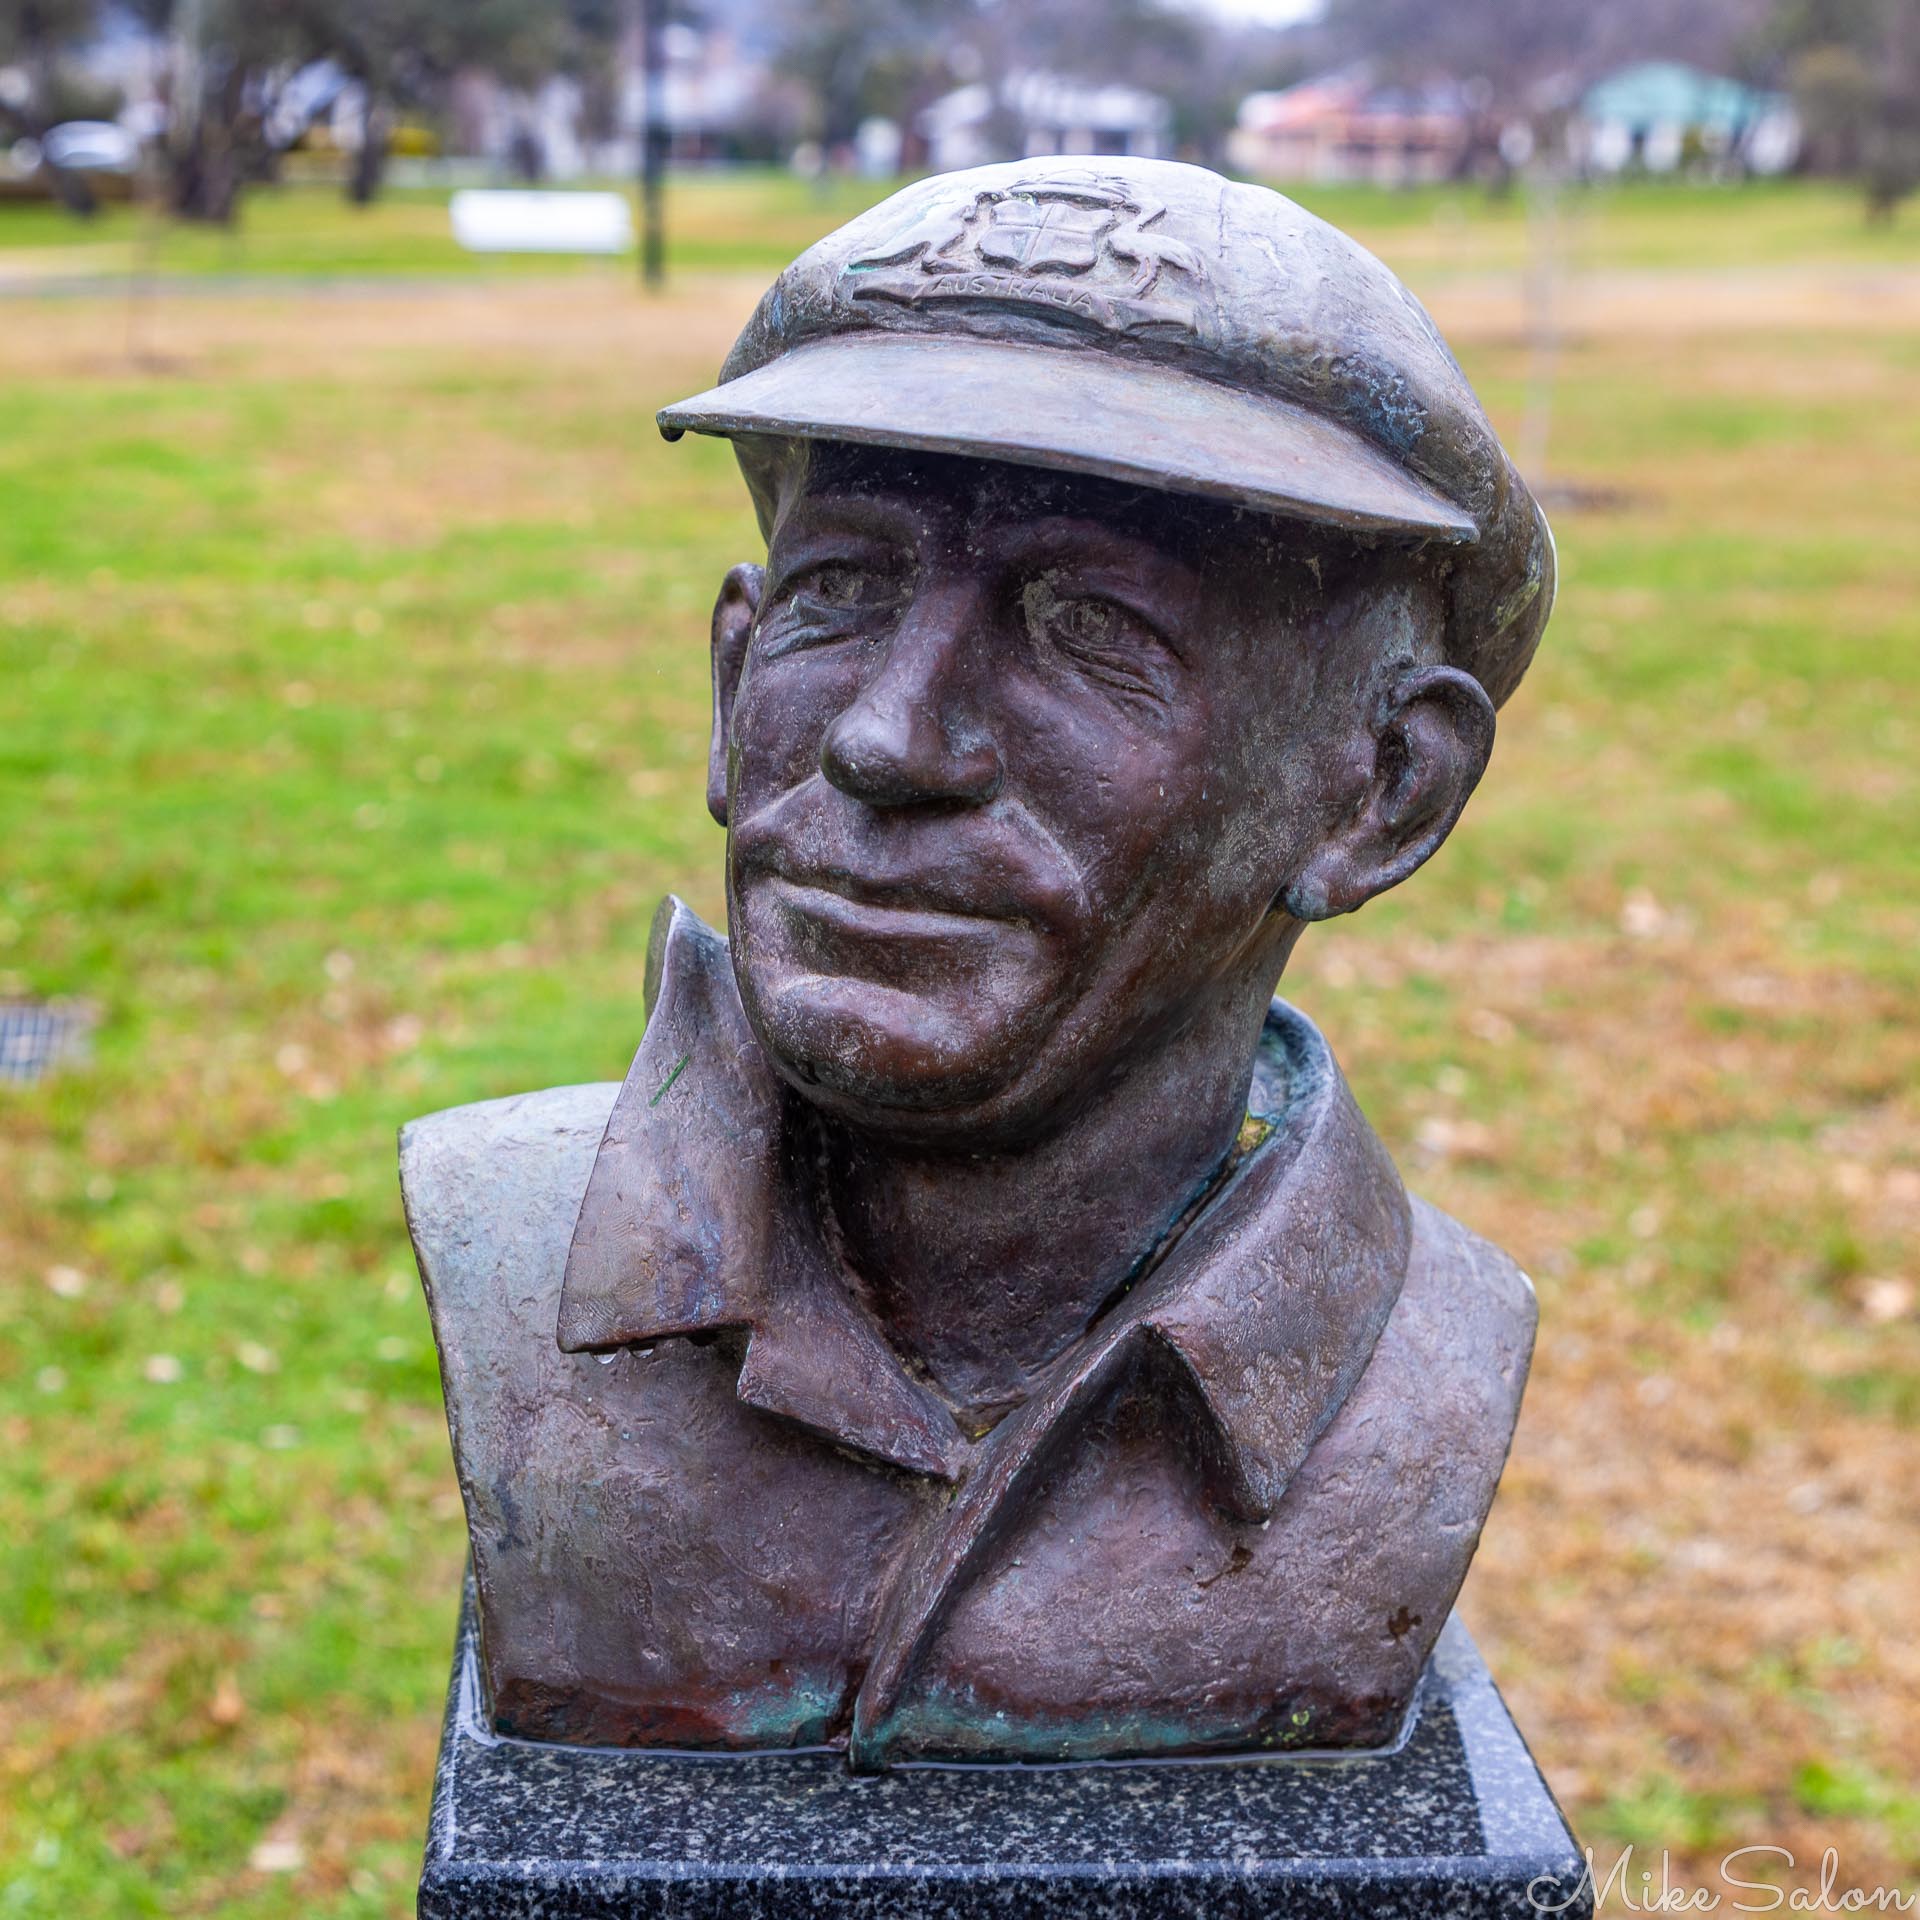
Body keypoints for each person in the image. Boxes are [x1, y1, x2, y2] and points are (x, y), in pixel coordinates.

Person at [402, 157, 1555, 1769]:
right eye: (840, 595)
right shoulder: (508, 1238)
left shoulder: (1422, 1373)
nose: (887, 737)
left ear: (1379, 792)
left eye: (1093, 634)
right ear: (734, 679)